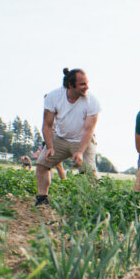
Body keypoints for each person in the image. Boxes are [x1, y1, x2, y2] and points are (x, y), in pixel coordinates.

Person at [35, 67, 100, 206]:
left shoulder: (92, 101)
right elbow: (47, 125)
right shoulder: (53, 97)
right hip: (61, 139)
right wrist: (50, 147)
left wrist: (80, 152)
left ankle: (94, 203)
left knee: (89, 172)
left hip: (83, 140)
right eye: (82, 84)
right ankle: (42, 199)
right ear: (71, 85)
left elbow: (88, 130)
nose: (86, 87)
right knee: (42, 164)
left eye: (87, 83)